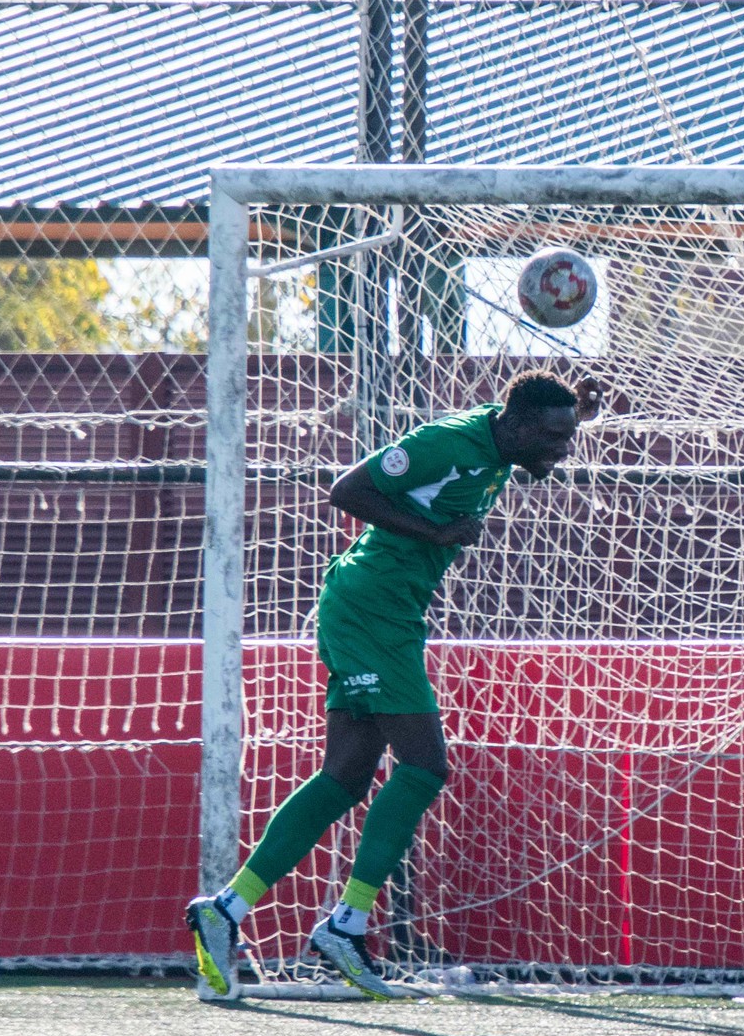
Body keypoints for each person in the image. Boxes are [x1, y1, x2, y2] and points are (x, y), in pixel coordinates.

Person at [186, 371, 603, 1001]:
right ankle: (347, 924)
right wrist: (434, 533)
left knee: (347, 777)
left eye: (565, 437)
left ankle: (226, 909)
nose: (562, 450)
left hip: (390, 609)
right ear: (517, 426)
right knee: (424, 766)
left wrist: (577, 416)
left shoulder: (507, 435)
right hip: (371, 608)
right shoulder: (444, 443)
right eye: (553, 438)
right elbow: (346, 489)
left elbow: (533, 442)